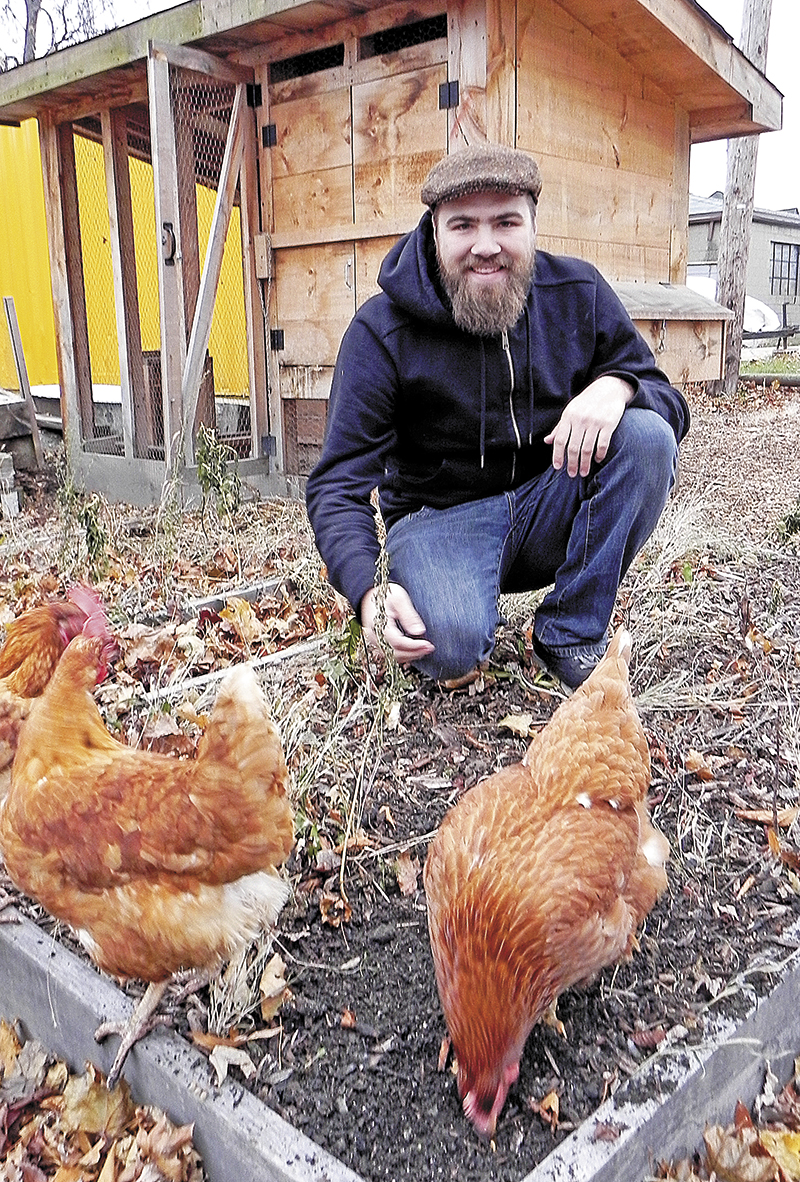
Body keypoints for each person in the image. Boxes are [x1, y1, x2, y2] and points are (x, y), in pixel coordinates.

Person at [305, 143, 690, 690]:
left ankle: (570, 633)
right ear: (434, 231)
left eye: (506, 222)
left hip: (547, 500)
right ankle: (459, 605)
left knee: (646, 437)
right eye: (463, 225)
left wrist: (619, 386)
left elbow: (668, 401)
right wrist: (368, 591)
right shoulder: (381, 331)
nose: (486, 247)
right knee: (447, 646)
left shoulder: (579, 294)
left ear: (533, 225)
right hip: (438, 521)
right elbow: (336, 484)